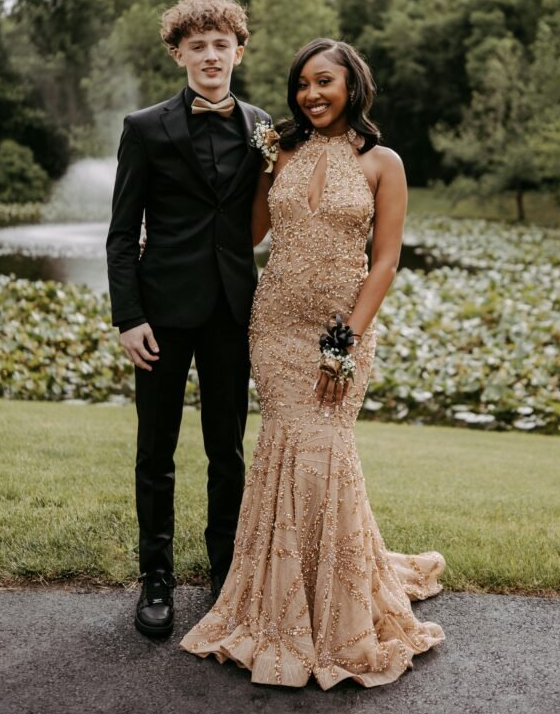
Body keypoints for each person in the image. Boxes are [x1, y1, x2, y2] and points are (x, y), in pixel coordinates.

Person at [180, 38, 445, 689]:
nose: (310, 95)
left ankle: (341, 608)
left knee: (325, 451)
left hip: (339, 329)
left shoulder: (384, 163)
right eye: (301, 84)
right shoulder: (280, 150)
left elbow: (383, 262)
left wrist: (345, 341)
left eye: (322, 82)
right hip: (274, 327)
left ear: (352, 85)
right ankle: (276, 603)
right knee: (285, 448)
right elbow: (248, 233)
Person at [106, 0, 271, 639]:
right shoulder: (144, 128)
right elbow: (122, 234)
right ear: (179, 53)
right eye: (196, 45)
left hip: (233, 311)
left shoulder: (264, 127)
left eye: (220, 43)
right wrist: (128, 317)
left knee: (227, 450)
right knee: (156, 451)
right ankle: (156, 579)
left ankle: (225, 572)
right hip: (161, 314)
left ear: (238, 50)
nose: (210, 55)